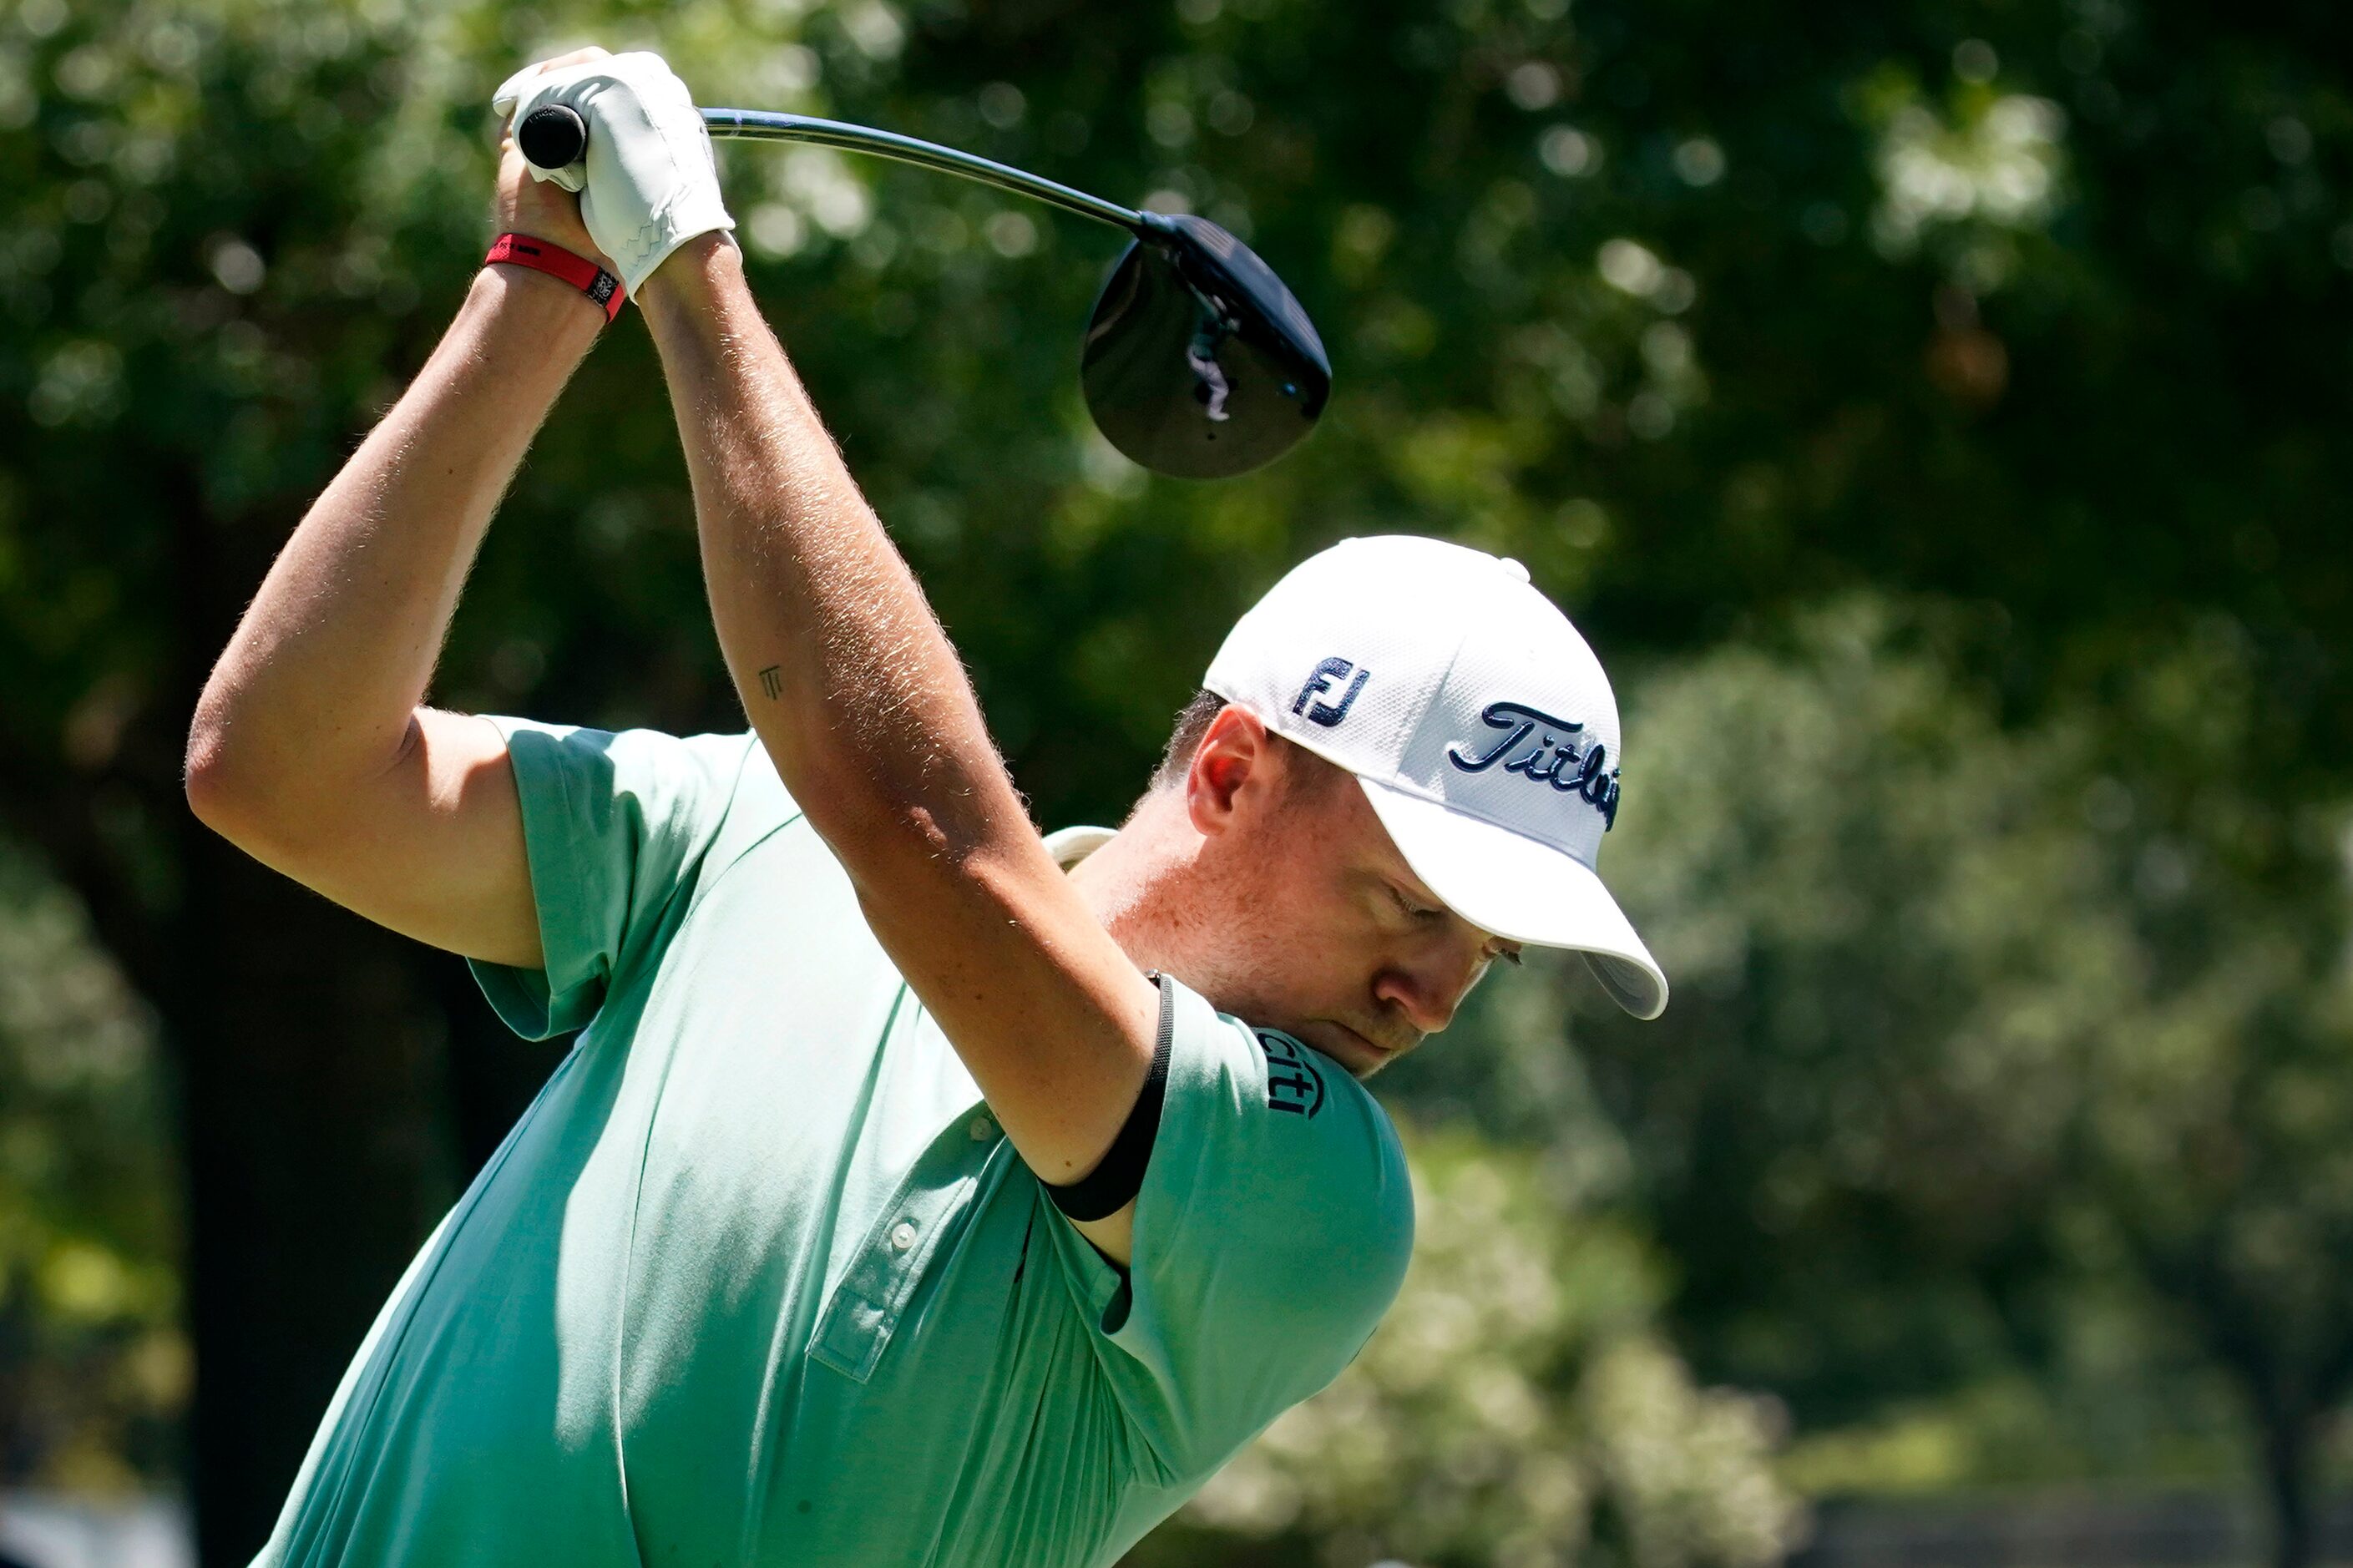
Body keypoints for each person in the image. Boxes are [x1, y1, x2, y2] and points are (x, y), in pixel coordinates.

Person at [182, 48, 1667, 1568]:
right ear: (1230, 770)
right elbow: (282, 770)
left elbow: (919, 833)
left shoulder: (1315, 1202)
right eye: (1414, 902)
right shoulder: (743, 831)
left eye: (1486, 951)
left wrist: (688, 265)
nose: (1428, 998)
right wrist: (547, 279)